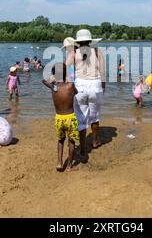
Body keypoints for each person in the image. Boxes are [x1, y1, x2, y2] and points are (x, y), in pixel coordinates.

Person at [71, 29, 106, 159]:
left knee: (81, 119)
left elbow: (63, 69)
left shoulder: (73, 52)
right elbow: (103, 72)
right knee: (95, 116)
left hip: (79, 86)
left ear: (78, 42)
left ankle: (83, 148)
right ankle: (95, 141)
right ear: (90, 40)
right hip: (95, 85)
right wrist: (103, 86)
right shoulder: (97, 51)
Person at [42, 63, 79, 172]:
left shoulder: (54, 87)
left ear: (54, 74)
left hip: (59, 118)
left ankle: (59, 162)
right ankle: (69, 166)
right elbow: (75, 91)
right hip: (70, 118)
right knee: (71, 141)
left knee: (60, 140)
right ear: (65, 74)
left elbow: (43, 80)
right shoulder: (70, 85)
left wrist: (52, 79)